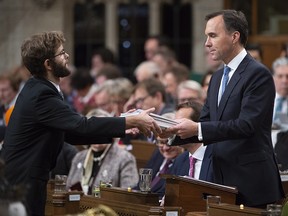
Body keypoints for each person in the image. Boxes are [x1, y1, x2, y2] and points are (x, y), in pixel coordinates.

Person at [0, 31, 161, 215]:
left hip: (24, 178)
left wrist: (123, 124)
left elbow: (72, 133)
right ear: (48, 64)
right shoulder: (41, 94)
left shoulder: (39, 88)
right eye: (61, 53)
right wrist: (126, 121)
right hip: (23, 181)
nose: (67, 55)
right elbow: (81, 125)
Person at [163, 10, 284, 207]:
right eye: (206, 36)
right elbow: (206, 124)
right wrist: (170, 131)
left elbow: (247, 125)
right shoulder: (218, 77)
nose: (207, 43)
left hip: (252, 183)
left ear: (235, 36)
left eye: (213, 35)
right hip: (220, 182)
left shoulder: (258, 74)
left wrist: (197, 129)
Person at [66, 108, 139, 194]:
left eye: (101, 131)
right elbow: (68, 188)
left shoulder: (125, 159)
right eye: (94, 131)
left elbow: (129, 194)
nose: (98, 135)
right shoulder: (79, 157)